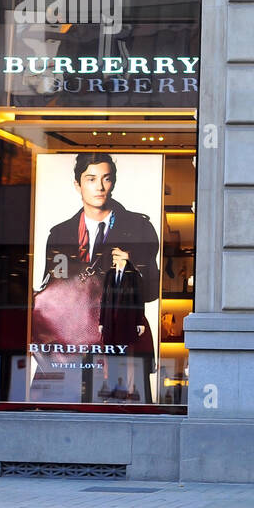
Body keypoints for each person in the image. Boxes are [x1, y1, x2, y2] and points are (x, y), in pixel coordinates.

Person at [43, 152, 161, 402]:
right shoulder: (60, 234)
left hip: (121, 335)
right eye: (90, 179)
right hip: (75, 338)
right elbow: (53, 293)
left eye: (106, 179)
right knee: (74, 408)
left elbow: (152, 292)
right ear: (78, 184)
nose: (99, 187)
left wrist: (129, 268)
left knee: (128, 409)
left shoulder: (139, 228)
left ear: (113, 183)